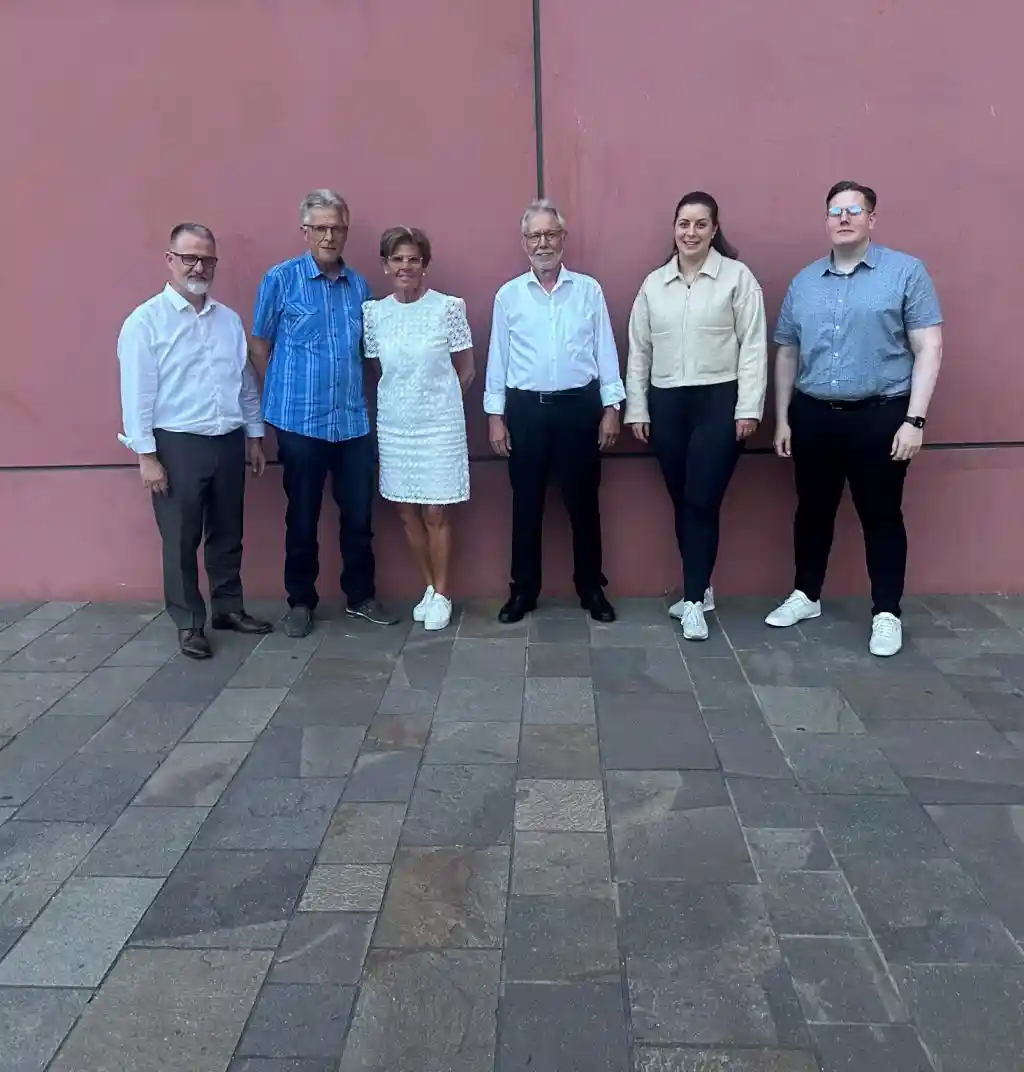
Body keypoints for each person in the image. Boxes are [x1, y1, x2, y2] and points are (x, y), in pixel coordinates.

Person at [768, 181, 944, 656]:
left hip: (880, 415)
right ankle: (806, 594)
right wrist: (783, 418)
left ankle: (886, 612)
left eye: (853, 210)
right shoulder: (805, 282)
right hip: (813, 415)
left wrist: (915, 420)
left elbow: (928, 346)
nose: (843, 218)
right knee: (812, 510)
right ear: (825, 220)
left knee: (881, 515)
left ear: (871, 219)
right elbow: (787, 352)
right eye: (835, 211)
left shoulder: (905, 272)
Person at [117, 222, 272, 659]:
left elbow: (245, 383)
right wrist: (146, 456)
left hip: (227, 440)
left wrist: (254, 436)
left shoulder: (229, 320)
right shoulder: (145, 322)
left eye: (207, 259)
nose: (198, 267)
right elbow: (137, 393)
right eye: (189, 258)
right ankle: (188, 623)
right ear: (170, 260)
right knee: (181, 538)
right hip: (176, 445)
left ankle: (228, 608)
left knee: (228, 531)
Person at [250, 189, 397, 638]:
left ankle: (361, 596)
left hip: (351, 420)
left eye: (337, 228)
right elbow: (260, 344)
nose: (329, 236)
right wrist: (282, 393)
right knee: (303, 515)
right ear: (305, 231)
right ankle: (300, 601)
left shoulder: (359, 287)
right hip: (300, 421)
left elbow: (368, 350)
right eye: (321, 228)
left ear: (346, 232)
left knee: (359, 515)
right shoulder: (280, 279)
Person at [625, 192, 767, 641]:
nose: (691, 233)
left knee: (702, 500)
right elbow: (639, 351)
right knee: (683, 500)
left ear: (714, 229)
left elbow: (754, 347)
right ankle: (699, 589)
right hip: (667, 403)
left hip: (719, 402)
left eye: (701, 224)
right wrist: (637, 407)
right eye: (684, 224)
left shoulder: (737, 278)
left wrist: (748, 408)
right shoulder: (654, 285)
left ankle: (691, 601)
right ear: (674, 228)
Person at [484, 198, 624, 624]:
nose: (542, 243)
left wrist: (612, 407)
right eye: (534, 235)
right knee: (526, 505)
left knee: (584, 505)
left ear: (563, 238)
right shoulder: (509, 296)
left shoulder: (588, 291)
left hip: (579, 410)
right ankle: (523, 591)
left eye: (550, 234)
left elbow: (605, 350)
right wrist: (495, 416)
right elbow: (498, 359)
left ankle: (591, 589)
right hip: (526, 412)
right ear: (524, 242)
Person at [362, 226, 474, 631]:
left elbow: (466, 370)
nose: (405, 266)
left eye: (413, 259)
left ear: (425, 264)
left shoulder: (448, 308)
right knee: (407, 510)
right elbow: (380, 371)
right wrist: (405, 401)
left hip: (439, 426)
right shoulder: (374, 314)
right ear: (385, 265)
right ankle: (428, 588)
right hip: (395, 426)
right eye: (397, 259)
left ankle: (443, 593)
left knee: (436, 511)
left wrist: (438, 404)